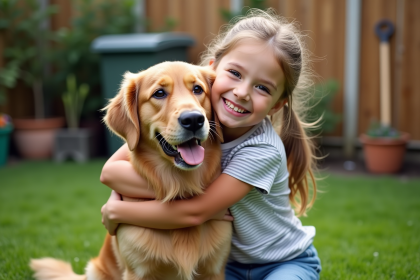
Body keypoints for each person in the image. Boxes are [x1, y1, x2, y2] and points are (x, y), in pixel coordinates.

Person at [100, 9, 321, 280]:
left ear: (276, 105)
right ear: (214, 71)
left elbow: (195, 211)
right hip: (232, 266)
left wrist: (119, 211)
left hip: (281, 262)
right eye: (236, 74)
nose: (241, 93)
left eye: (262, 87)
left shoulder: (261, 148)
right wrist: (117, 202)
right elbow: (110, 172)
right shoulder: (208, 116)